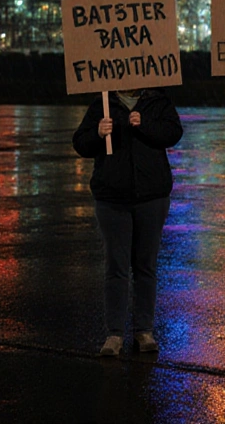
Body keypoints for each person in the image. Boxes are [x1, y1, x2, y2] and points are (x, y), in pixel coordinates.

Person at [72, 87, 184, 357]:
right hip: (112, 198)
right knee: (116, 267)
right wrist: (98, 133)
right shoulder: (102, 103)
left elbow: (173, 134)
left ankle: (144, 331)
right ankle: (115, 334)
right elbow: (80, 143)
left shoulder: (157, 100)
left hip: (151, 195)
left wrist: (145, 125)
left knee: (145, 266)